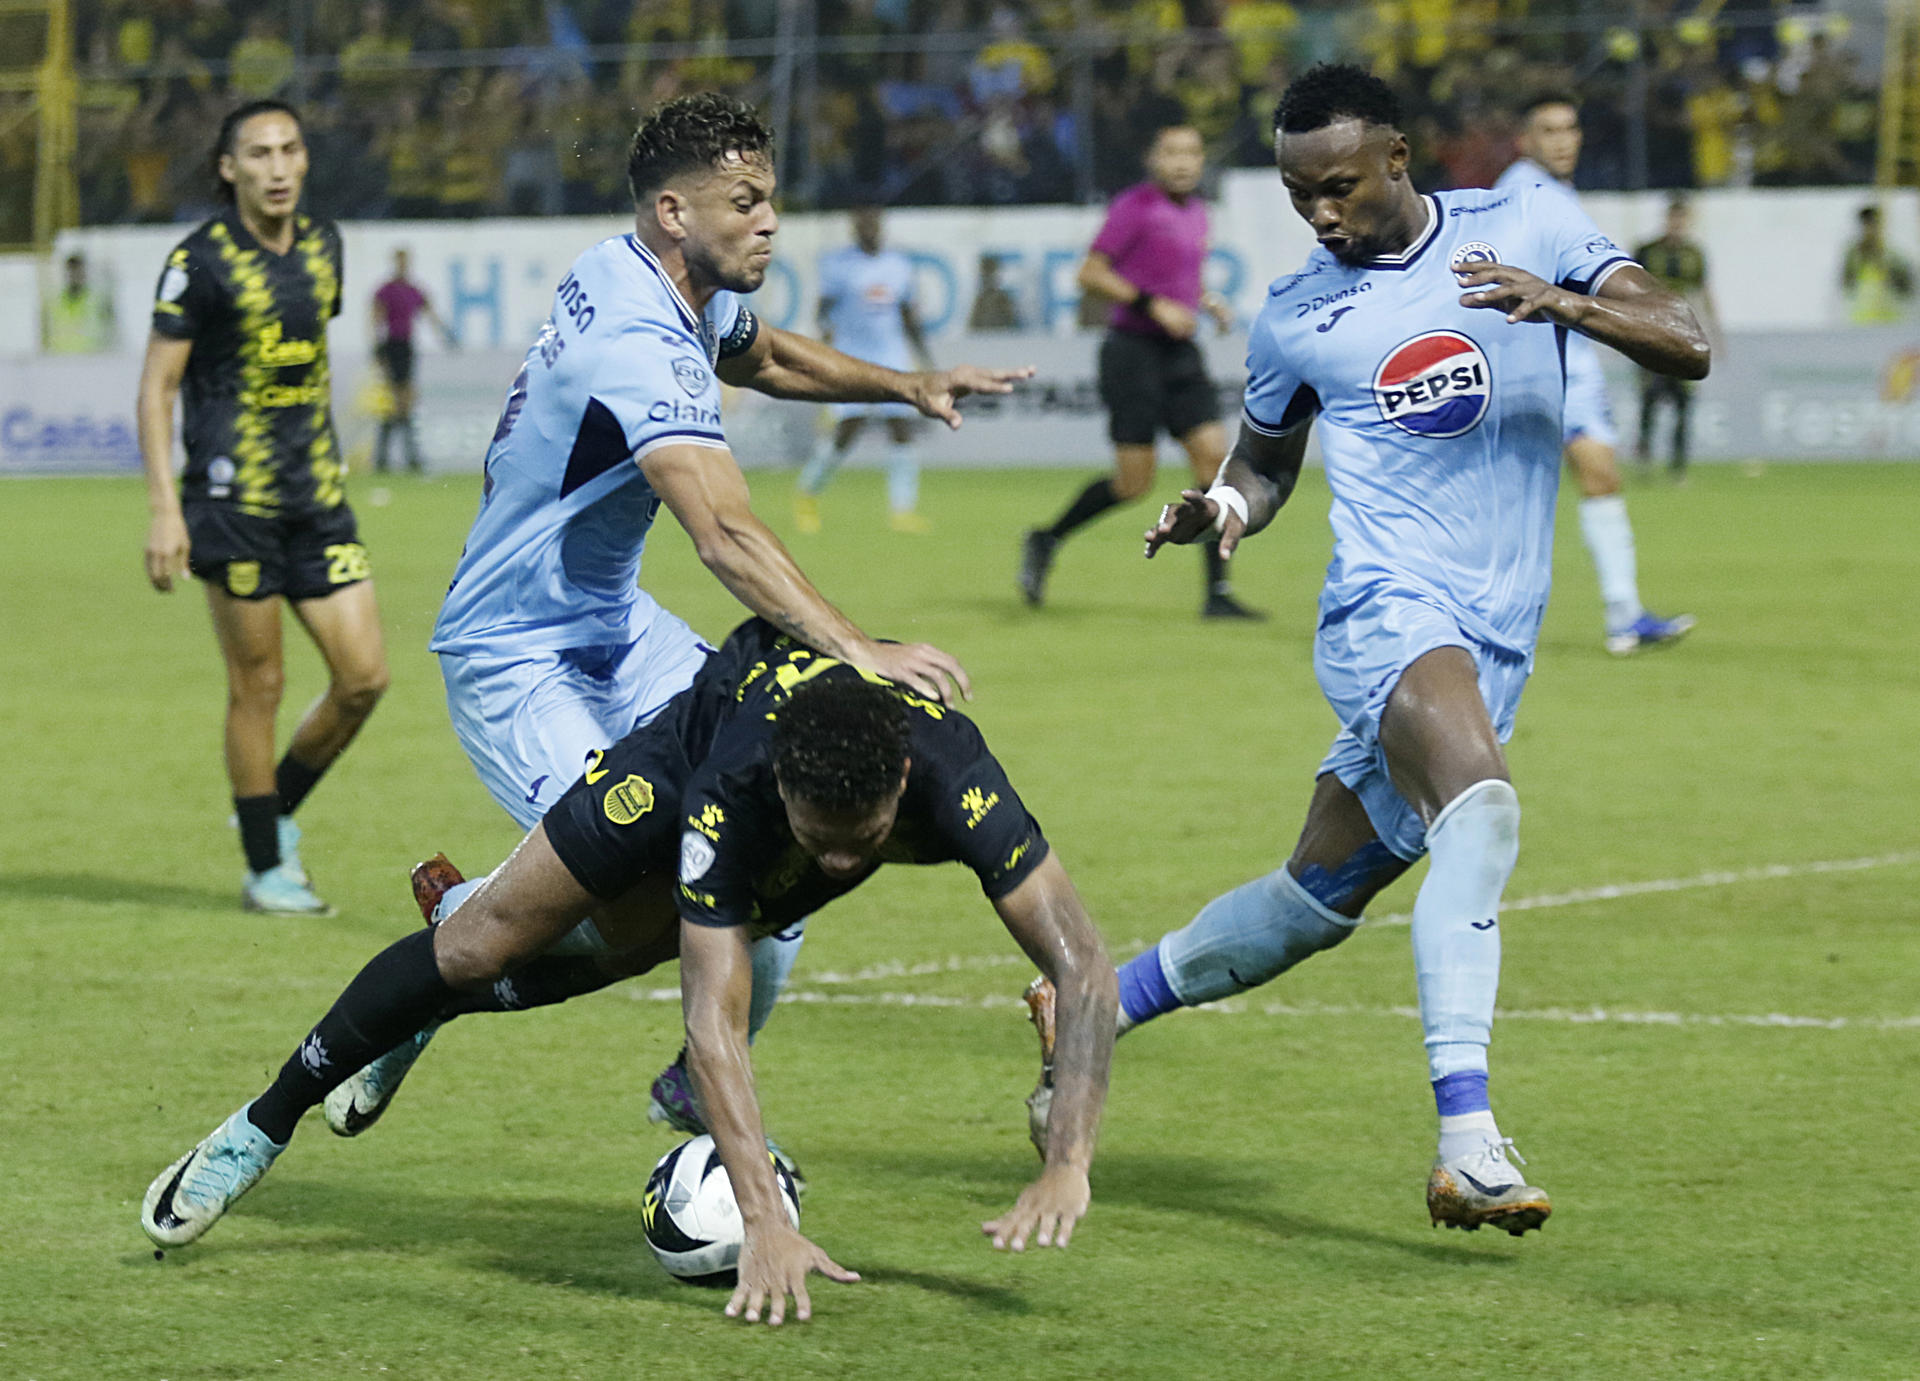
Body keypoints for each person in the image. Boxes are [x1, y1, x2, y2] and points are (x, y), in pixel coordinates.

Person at [1026, 64, 1709, 1235]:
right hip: (1387, 612)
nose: (1323, 216)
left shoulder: (1526, 222)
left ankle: (1097, 997)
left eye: (1339, 187)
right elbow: (1267, 458)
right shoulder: (1299, 313)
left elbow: (1684, 339)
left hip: (1498, 632)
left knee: (1316, 898)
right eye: (1301, 198)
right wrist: (1226, 508)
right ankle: (1470, 1143)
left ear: (1399, 155)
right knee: (1482, 815)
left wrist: (1566, 303)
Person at [140, 619, 1118, 1328]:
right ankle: (260, 1123)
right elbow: (712, 1021)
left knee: (625, 950)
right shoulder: (736, 789)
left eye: (855, 846)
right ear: (784, 788)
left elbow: (1082, 961)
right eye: (820, 841)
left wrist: (1068, 1158)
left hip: (802, 773)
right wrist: (765, 1221)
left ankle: (425, 1014)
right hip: (687, 747)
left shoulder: (958, 777)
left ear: (901, 786)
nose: (834, 867)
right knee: (480, 944)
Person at [422, 94, 1028, 1151]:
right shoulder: (639, 336)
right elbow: (725, 534)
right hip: (514, 651)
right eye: (745, 201)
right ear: (674, 209)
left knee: (775, 825)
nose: (771, 222)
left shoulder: (652, 277)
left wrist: (905, 383)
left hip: (617, 624)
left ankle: (698, 1094)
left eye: (771, 200)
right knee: (617, 899)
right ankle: (449, 931)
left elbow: (770, 358)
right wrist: (856, 647)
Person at [137, 99, 389, 915]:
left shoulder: (325, 246)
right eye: (259, 154)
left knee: (364, 678)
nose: (277, 167)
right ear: (228, 168)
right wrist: (165, 509)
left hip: (316, 495)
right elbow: (157, 387)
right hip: (230, 498)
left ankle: (266, 809)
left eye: (289, 150)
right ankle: (264, 865)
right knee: (262, 682)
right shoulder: (200, 260)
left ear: (305, 161)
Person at [1018, 123, 1261, 621]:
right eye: (1171, 151)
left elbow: (1174, 280)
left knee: (1214, 463)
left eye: (1192, 152)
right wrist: (1154, 305)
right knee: (1134, 484)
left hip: (1179, 352)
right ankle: (1046, 538)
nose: (1182, 161)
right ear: (1154, 158)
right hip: (1131, 352)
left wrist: (1203, 301)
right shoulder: (1134, 207)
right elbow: (1090, 272)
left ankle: (1217, 594)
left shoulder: (1196, 212)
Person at [1497, 95, 1695, 657]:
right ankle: (1619, 616)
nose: (1563, 139)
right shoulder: (1524, 190)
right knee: (1567, 482)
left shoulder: (1547, 190)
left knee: (1593, 477)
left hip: (1561, 357)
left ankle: (1624, 615)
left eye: (1570, 128)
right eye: (1548, 130)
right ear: (1525, 139)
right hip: (1541, 358)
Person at [793, 206, 937, 534]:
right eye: (862, 224)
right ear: (854, 228)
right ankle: (807, 493)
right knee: (849, 428)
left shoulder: (898, 265)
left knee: (901, 427)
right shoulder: (839, 265)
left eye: (873, 224)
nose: (869, 230)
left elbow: (907, 315)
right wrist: (822, 350)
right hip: (852, 354)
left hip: (891, 354)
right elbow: (823, 310)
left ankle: (903, 510)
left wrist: (925, 360)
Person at [1633, 197, 1718, 479]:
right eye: (1673, 219)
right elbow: (1628, 289)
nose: (1676, 225)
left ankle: (1677, 466)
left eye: (1681, 220)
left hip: (1682, 334)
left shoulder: (1695, 253)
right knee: (1650, 397)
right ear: (1666, 219)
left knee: (1684, 402)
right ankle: (1644, 457)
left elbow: (1703, 292)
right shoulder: (1646, 251)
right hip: (1651, 332)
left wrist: (1714, 332)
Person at [369, 246, 453, 473]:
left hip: (407, 347)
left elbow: (430, 313)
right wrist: (376, 347)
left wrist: (445, 335)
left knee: (405, 401)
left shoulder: (413, 289)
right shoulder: (385, 290)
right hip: (391, 346)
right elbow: (375, 318)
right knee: (397, 400)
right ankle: (393, 457)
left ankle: (394, 457)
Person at [1841, 205, 1912, 325]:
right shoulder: (1853, 255)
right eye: (1867, 225)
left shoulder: (1892, 255)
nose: (1870, 229)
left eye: (1874, 225)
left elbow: (1905, 288)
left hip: (1890, 320)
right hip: (1860, 320)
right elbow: (1847, 285)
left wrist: (1885, 266)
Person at [43, 252, 115, 354]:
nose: (74, 276)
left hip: (92, 359)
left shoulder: (97, 300)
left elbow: (110, 332)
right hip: (60, 361)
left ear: (84, 272)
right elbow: (46, 335)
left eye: (78, 271)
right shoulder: (54, 301)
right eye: (71, 271)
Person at [967, 252, 1021, 331]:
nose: (987, 277)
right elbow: (972, 329)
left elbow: (1012, 328)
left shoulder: (1003, 300)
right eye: (985, 273)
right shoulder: (980, 300)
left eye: (991, 273)